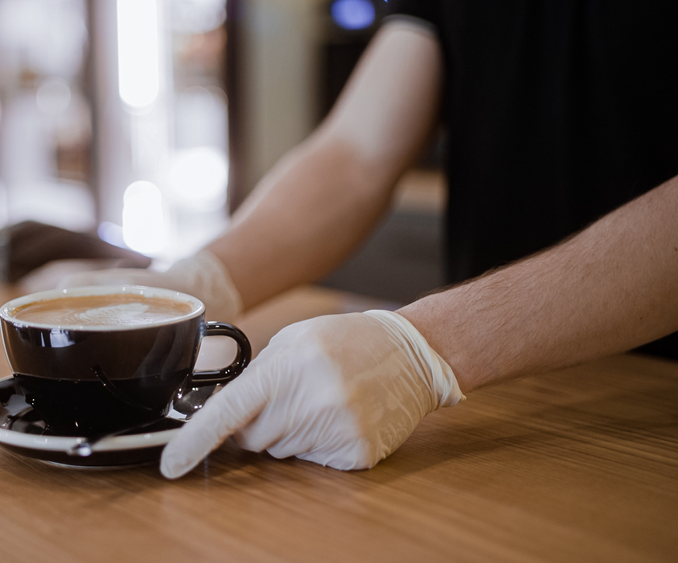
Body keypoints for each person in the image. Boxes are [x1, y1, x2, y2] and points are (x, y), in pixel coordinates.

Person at [61, 1, 678, 478]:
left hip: (648, 426)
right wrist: (200, 281)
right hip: (497, 403)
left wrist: (429, 346)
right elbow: (357, 152)